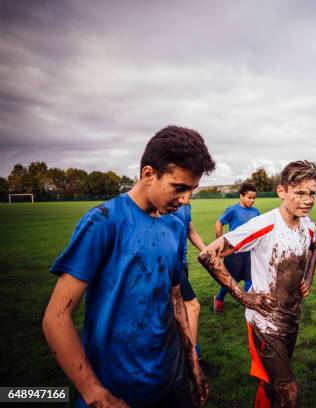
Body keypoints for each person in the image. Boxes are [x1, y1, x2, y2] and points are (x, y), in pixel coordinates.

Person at [42, 126, 215, 407]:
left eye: (191, 191)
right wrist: (93, 391)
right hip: (116, 388)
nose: (185, 200)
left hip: (171, 380)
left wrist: (192, 364)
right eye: (179, 188)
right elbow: (56, 317)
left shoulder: (175, 223)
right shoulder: (103, 222)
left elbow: (175, 299)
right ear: (148, 175)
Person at [198, 160, 316, 408]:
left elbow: (315, 248)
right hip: (264, 324)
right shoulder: (264, 225)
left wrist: (308, 276)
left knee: (269, 383)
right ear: (282, 191)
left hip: (291, 318)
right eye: (300, 193)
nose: (307, 200)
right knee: (288, 394)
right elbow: (209, 255)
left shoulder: (308, 226)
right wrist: (244, 297)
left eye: (312, 193)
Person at [173, 203, 220, 377]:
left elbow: (190, 231)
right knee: (192, 307)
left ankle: (182, 360)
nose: (189, 194)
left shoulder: (186, 203)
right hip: (171, 264)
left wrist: (207, 251)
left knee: (179, 312)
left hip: (182, 263)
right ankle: (195, 362)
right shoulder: (165, 201)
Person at [213, 183, 260, 314]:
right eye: (249, 198)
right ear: (241, 196)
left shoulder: (256, 212)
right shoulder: (232, 210)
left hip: (250, 251)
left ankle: (250, 308)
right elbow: (219, 223)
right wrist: (220, 242)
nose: (252, 200)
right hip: (234, 252)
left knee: (250, 279)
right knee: (230, 280)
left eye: (253, 198)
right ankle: (219, 298)